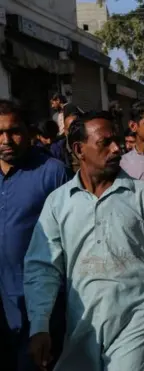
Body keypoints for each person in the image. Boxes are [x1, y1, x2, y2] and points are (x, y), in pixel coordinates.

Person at [24, 111, 144, 371]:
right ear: (79, 149)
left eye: (117, 142)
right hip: (83, 320)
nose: (116, 149)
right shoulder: (59, 202)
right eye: (105, 143)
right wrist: (39, 324)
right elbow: (42, 267)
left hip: (139, 316)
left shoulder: (141, 194)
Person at [0, 100, 71, 371]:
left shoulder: (52, 173)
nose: (6, 139)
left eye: (14, 131)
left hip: (43, 305)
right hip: (4, 305)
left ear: (29, 132)